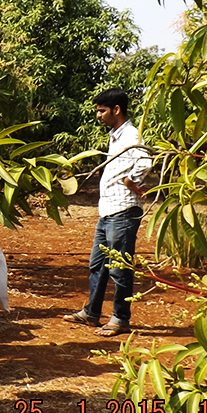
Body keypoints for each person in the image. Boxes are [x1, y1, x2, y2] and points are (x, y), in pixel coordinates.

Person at [63, 88, 150, 337]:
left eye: (102, 110)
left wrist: (131, 181)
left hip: (123, 209)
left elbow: (145, 161)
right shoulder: (116, 135)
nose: (99, 115)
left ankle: (120, 318)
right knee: (98, 264)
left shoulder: (131, 134)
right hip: (109, 210)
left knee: (119, 267)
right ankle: (91, 312)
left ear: (116, 110)